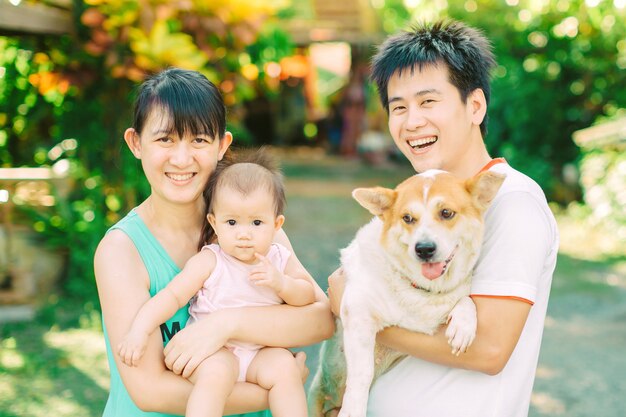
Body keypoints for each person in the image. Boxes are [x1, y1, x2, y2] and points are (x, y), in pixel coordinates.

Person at [327, 20, 558, 417]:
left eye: (428, 101)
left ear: (475, 106)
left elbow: (489, 350)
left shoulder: (512, 202)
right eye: (398, 107)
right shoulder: (416, 203)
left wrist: (354, 308)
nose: (411, 121)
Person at [94, 67, 334, 417]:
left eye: (199, 140)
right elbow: (149, 390)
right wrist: (272, 393)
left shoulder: (249, 228)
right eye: (165, 139)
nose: (181, 158)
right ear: (135, 143)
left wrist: (227, 324)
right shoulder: (122, 250)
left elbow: (321, 320)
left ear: (222, 145)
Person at [117, 151, 314, 417]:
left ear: (276, 224)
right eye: (232, 222)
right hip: (215, 351)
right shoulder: (211, 260)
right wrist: (140, 329)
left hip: (260, 352)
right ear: (214, 222)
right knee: (215, 377)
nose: (244, 234)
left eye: (257, 223)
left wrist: (282, 284)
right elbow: (172, 297)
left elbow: (306, 296)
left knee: (286, 370)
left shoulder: (278, 257)